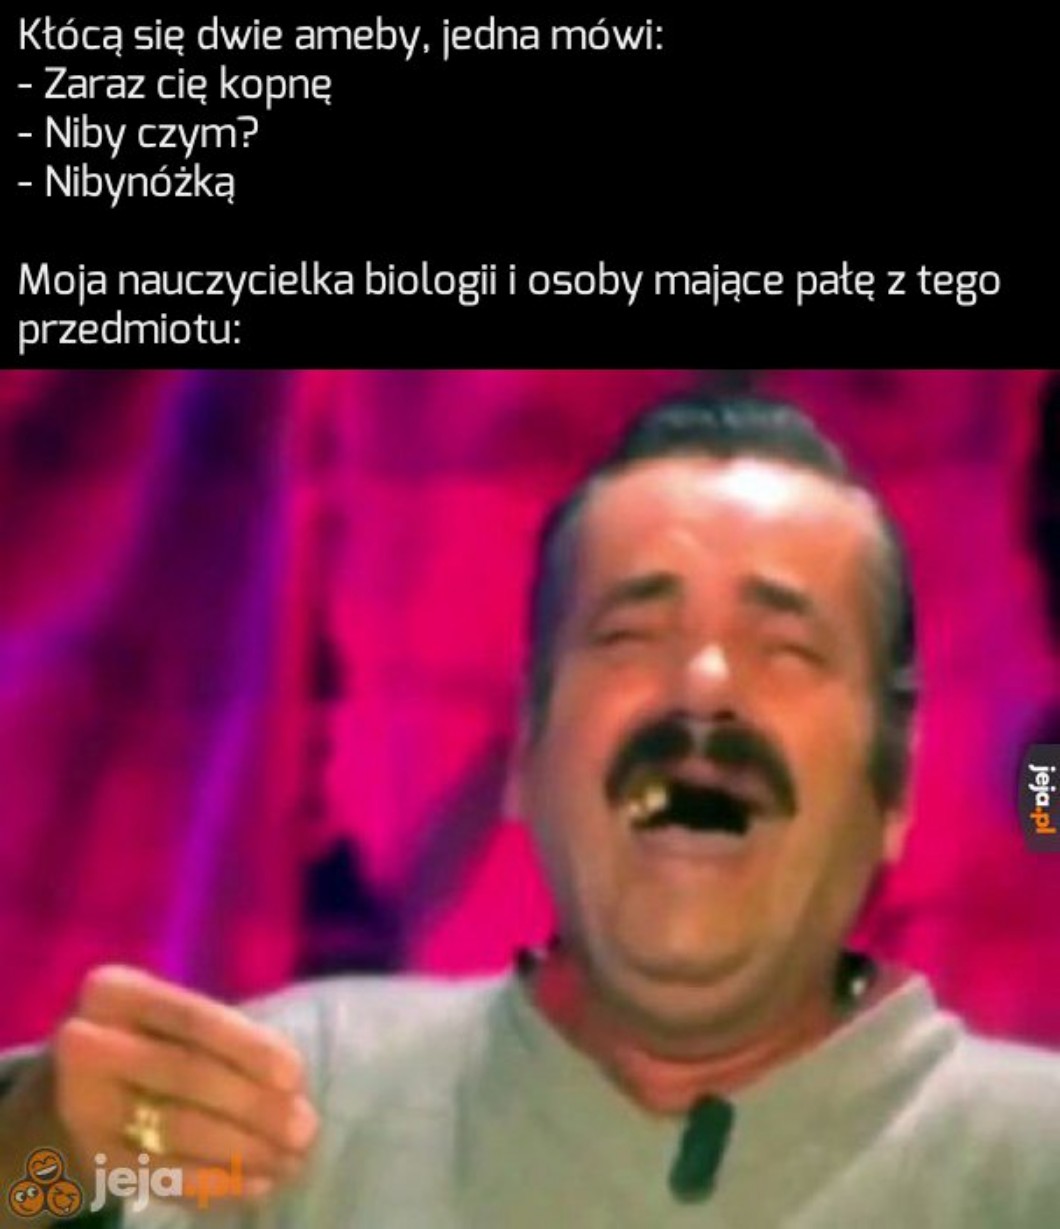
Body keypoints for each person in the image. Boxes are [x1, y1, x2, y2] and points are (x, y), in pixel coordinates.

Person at [2, 394, 1058, 1228]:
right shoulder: (289, 1104)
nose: (702, 685)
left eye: (784, 648)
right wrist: (41, 1162)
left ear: (894, 791)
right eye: (629, 636)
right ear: (526, 757)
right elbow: (28, 1199)